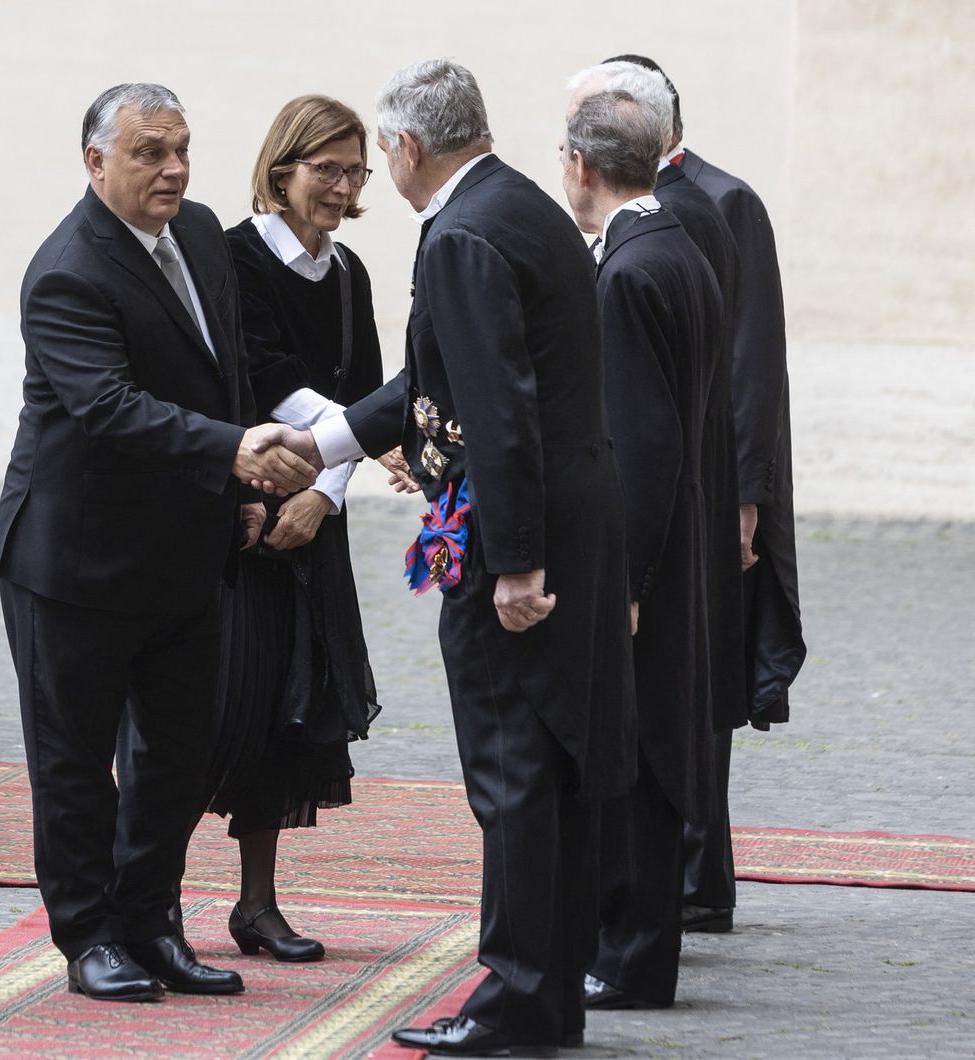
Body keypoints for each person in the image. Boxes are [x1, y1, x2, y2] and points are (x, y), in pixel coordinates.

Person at [296, 60, 636, 1056]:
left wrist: (516, 564)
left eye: (379, 157)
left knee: (513, 766)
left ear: (405, 147)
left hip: (508, 530)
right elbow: (435, 376)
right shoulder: (515, 204)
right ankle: (551, 985)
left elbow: (497, 404)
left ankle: (517, 994)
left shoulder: (464, 231)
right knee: (553, 758)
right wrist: (323, 444)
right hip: (559, 512)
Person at [0, 82, 319, 1003]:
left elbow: (226, 372)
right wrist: (236, 453)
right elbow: (108, 408)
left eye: (180, 148)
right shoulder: (67, 269)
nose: (172, 168)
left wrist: (237, 490)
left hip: (185, 548)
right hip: (74, 562)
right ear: (96, 162)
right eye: (148, 152)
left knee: (177, 756)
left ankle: (153, 924)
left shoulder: (205, 231)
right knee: (75, 764)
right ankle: (90, 937)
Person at [606, 52, 808, 935]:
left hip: (714, 482)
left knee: (701, 673)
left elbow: (753, 362)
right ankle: (695, 873)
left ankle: (698, 874)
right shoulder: (637, 206)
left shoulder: (723, 201)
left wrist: (747, 497)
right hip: (675, 479)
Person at [204, 94, 387, 963]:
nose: (342, 186)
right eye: (326, 169)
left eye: (355, 172)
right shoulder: (233, 259)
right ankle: (149, 899)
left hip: (316, 512)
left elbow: (376, 395)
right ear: (283, 170)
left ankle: (256, 903)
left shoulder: (349, 274)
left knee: (290, 713)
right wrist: (338, 456)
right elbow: (268, 378)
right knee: (217, 711)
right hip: (241, 508)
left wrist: (329, 495)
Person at [560, 84, 724, 1010]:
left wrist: (623, 580)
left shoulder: (628, 270)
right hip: (680, 540)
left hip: (644, 555)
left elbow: (642, 441)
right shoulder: (675, 248)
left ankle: (628, 957)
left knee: (635, 756)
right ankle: (635, 950)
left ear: (581, 166)